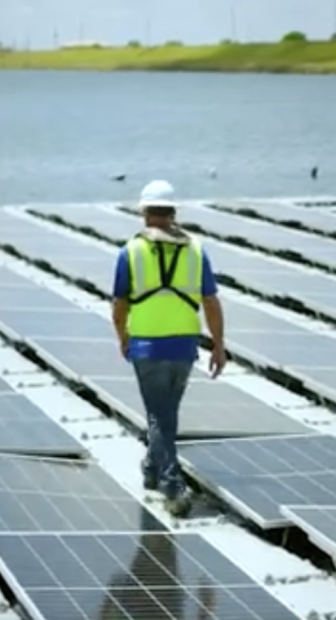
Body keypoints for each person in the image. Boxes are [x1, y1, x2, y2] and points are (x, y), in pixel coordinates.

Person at [111, 193, 227, 517]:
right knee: (165, 413)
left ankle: (172, 485)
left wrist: (122, 337)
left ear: (144, 212)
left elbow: (119, 305)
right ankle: (151, 467)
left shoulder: (130, 252)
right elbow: (211, 301)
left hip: (147, 344)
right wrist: (218, 344)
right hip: (183, 346)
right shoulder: (196, 251)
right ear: (173, 212)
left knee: (159, 415)